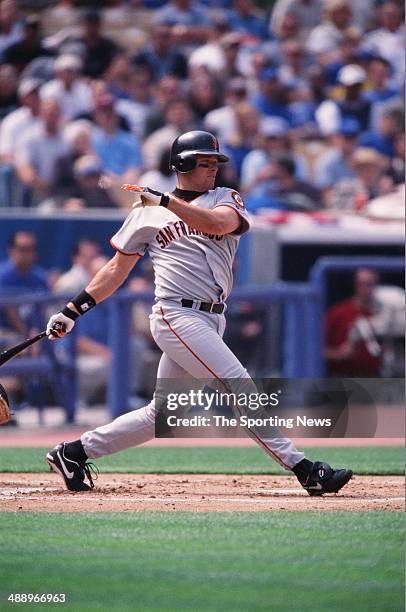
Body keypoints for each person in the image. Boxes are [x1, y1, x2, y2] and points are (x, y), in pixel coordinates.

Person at [44, 129, 352, 497]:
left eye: (215, 162)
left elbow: (218, 224)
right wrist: (73, 309)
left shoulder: (226, 197)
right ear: (181, 165)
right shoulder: (145, 213)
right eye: (203, 162)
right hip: (176, 315)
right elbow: (115, 269)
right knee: (241, 387)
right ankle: (306, 470)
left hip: (211, 317)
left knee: (162, 416)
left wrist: (167, 203)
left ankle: (73, 452)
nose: (212, 169)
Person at [325, 268, 382, 376]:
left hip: (375, 379)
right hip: (342, 379)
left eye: (370, 284)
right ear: (355, 285)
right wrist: (338, 354)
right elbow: (315, 350)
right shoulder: (338, 313)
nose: (366, 289)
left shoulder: (383, 314)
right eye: (362, 284)